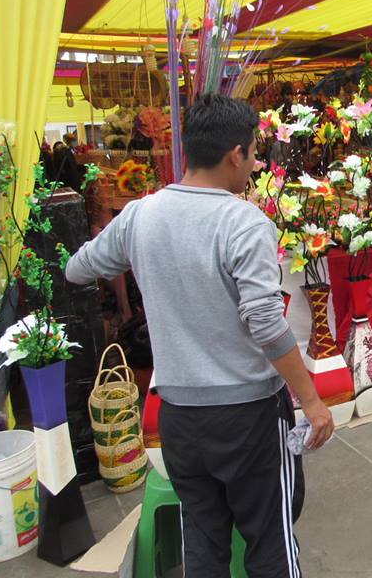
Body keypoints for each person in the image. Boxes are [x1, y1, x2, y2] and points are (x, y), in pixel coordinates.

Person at [65, 93, 333, 577]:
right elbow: (266, 322)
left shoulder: (140, 216)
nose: (254, 166)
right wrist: (311, 400)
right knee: (271, 541)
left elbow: (78, 268)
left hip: (180, 420)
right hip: (247, 416)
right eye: (253, 154)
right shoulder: (242, 220)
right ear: (236, 154)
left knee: (204, 545)